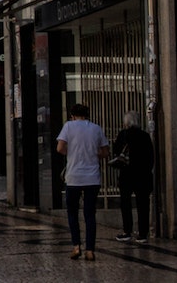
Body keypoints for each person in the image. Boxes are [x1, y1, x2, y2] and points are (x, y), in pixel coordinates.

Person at [57, 101, 109, 260]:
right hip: (92, 177)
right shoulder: (96, 128)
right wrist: (93, 155)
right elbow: (105, 151)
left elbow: (59, 148)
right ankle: (90, 250)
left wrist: (71, 154)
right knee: (89, 214)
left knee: (72, 213)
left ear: (72, 115)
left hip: (73, 177)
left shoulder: (68, 126)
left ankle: (76, 246)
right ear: (87, 115)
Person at [113, 110, 155, 244]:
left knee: (125, 203)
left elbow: (116, 152)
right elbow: (150, 156)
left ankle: (127, 231)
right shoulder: (144, 136)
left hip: (126, 174)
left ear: (126, 122)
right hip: (142, 175)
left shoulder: (123, 135)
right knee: (143, 204)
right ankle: (143, 233)